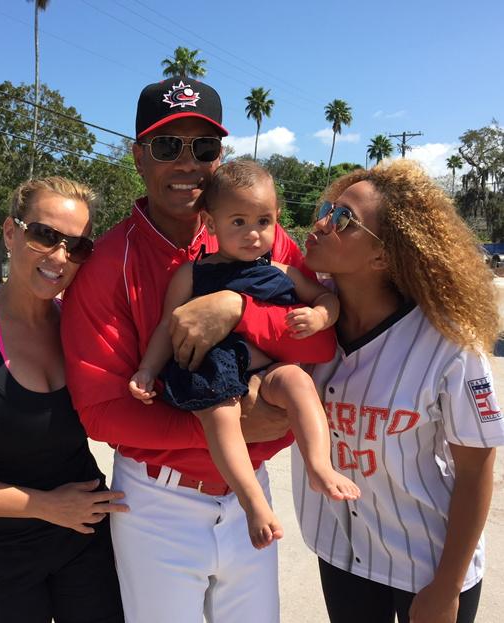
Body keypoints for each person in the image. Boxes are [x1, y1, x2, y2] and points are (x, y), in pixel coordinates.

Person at [62, 77, 334, 622]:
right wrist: (226, 426)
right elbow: (100, 412)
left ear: (220, 157)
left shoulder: (262, 235)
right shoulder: (108, 262)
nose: (188, 164)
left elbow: (323, 340)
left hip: (247, 495)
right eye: (168, 146)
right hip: (159, 503)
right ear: (138, 156)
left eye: (203, 147)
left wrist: (236, 307)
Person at [285, 159, 504, 623]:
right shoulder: (297, 318)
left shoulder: (449, 344)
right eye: (327, 208)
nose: (321, 222)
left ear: (383, 256)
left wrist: (445, 589)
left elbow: (476, 471)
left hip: (424, 563)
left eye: (343, 219)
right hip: (339, 550)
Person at [129, 159, 359, 549]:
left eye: (263, 221)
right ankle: (253, 502)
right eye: (238, 222)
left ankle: (319, 465)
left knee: (298, 381)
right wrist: (147, 370)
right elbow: (168, 327)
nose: (253, 234)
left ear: (277, 219)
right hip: (211, 371)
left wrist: (321, 315)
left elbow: (325, 298)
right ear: (212, 223)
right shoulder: (191, 274)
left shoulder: (282, 272)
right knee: (222, 415)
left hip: (263, 372)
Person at [0, 177, 127, 623]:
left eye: (78, 246)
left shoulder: (79, 327)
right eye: (45, 235)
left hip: (85, 537)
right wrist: (45, 506)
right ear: (10, 232)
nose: (60, 256)